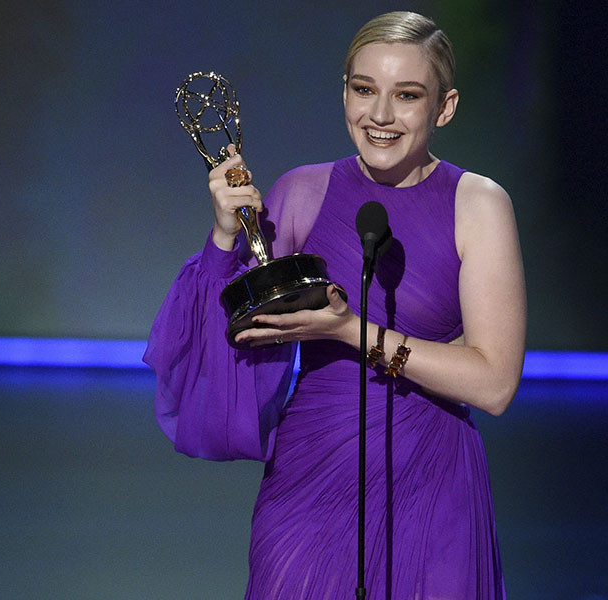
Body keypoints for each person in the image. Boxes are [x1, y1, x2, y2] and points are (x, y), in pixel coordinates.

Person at [145, 11, 526, 599]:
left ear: (444, 107)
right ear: (344, 92)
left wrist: (352, 331)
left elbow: (495, 383)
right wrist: (223, 236)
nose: (380, 115)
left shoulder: (477, 204)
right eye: (364, 89)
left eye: (407, 95)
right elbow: (224, 348)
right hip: (309, 485)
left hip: (433, 484)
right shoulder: (303, 193)